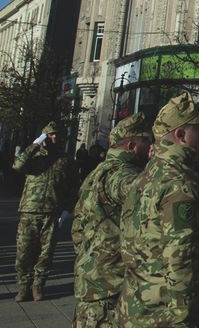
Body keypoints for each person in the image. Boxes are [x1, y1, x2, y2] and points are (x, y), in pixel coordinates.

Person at [120, 92, 199, 326]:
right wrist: (181, 317)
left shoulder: (147, 174)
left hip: (137, 304)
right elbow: (180, 255)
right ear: (181, 134)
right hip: (165, 313)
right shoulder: (180, 184)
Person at [72, 113, 153, 327]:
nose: (151, 148)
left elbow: (77, 228)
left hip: (94, 278)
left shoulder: (96, 173)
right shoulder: (121, 174)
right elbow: (142, 193)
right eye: (148, 142)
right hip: (111, 286)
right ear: (132, 146)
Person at [12, 121, 77, 302]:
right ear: (44, 137)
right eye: (50, 134)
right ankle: (23, 286)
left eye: (57, 134)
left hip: (52, 212)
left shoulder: (65, 160)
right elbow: (17, 165)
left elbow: (73, 187)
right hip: (29, 211)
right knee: (23, 252)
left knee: (46, 254)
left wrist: (67, 211)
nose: (54, 137)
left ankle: (38, 286)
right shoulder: (34, 157)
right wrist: (35, 144)